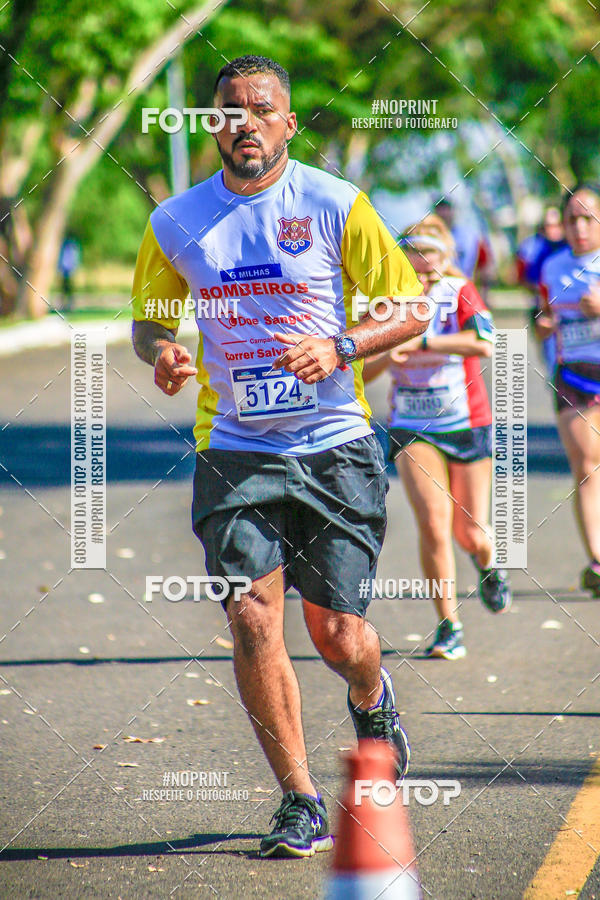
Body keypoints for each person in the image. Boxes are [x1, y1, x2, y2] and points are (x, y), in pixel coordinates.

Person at [131, 55, 428, 858]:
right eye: (231, 109)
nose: (246, 122)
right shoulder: (175, 222)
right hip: (232, 447)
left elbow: (411, 309)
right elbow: (150, 321)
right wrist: (161, 351)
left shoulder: (337, 205)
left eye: (263, 109)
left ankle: (371, 697)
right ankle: (298, 797)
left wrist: (341, 345)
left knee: (337, 634)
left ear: (289, 124)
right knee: (252, 616)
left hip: (335, 446)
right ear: (212, 124)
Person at [363, 215, 511, 660]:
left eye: (431, 269)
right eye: (415, 268)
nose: (424, 278)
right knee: (433, 523)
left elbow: (486, 342)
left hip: (466, 422)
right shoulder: (387, 303)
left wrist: (425, 344)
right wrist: (391, 350)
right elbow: (362, 370)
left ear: (445, 262)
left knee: (471, 534)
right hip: (412, 425)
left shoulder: (459, 291)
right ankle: (449, 624)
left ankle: (488, 564)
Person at [539, 183, 600, 597]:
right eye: (571, 218)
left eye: (588, 218)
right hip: (574, 375)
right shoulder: (552, 266)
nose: (579, 227)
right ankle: (597, 561)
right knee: (586, 467)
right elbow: (543, 315)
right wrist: (541, 323)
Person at [516, 206, 567, 375]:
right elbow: (527, 279)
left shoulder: (572, 248)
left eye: (556, 225)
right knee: (553, 365)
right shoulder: (537, 249)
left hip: (572, 314)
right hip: (545, 311)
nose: (551, 230)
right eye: (547, 226)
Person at [437, 199, 494, 301]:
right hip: (436, 293)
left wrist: (484, 295)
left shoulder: (470, 237)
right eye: (440, 211)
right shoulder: (427, 237)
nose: (444, 214)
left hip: (464, 291)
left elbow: (484, 266)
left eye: (446, 210)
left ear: (453, 212)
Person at [58, 235, 81, 311]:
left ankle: (70, 304)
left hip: (69, 270)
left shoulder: (71, 245)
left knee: (69, 288)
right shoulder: (68, 245)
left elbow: (74, 258)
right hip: (65, 270)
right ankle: (64, 304)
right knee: (64, 288)